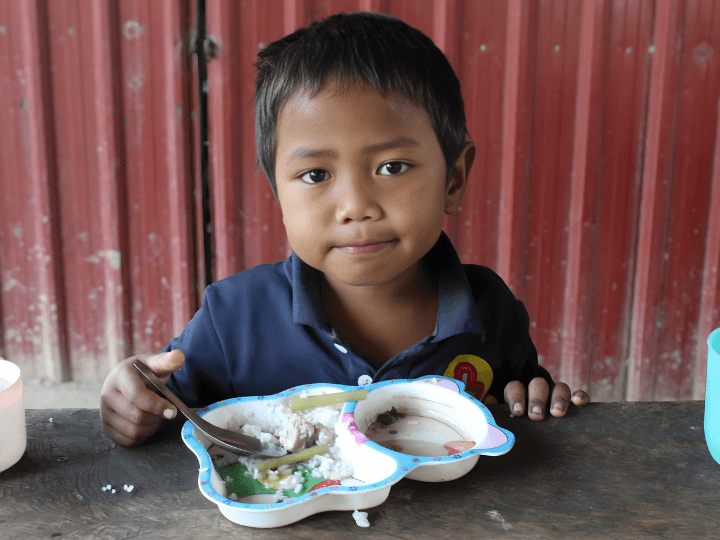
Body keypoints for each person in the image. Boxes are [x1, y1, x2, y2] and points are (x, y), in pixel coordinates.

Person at [100, 11, 589, 447]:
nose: (355, 206)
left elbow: (521, 402)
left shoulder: (490, 313)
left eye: (393, 167)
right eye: (316, 175)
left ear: (454, 179)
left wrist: (537, 397)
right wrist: (131, 399)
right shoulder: (233, 318)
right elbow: (162, 402)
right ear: (280, 196)